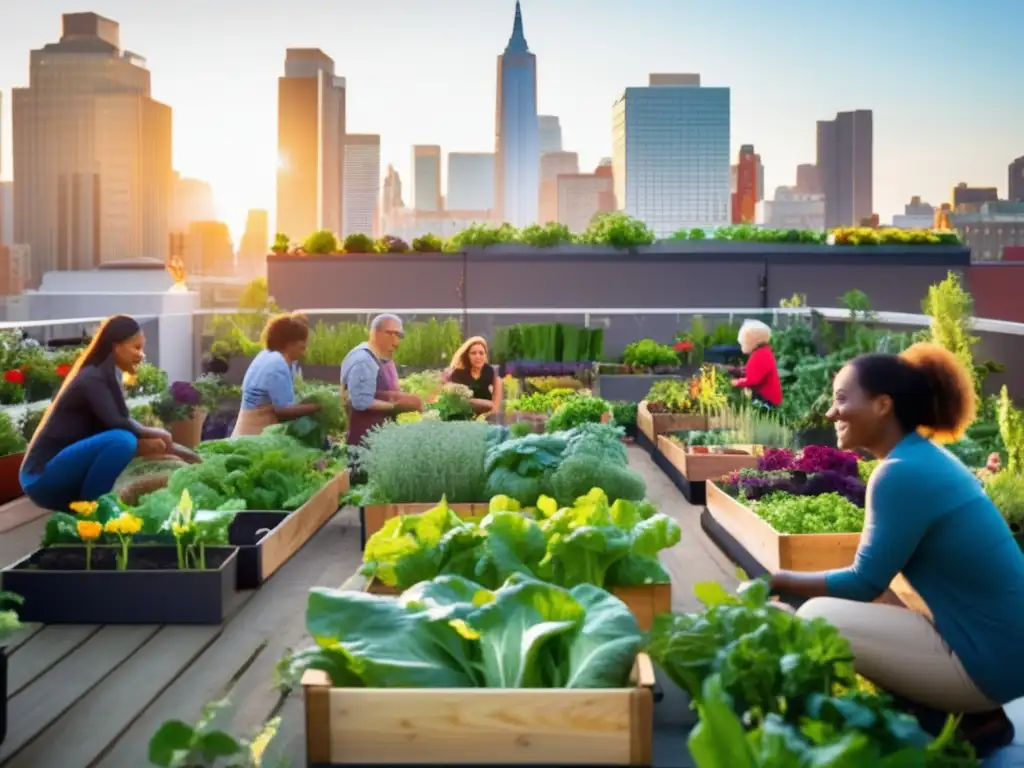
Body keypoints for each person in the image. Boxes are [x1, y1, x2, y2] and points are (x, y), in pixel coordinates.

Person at [769, 342, 1024, 755]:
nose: (831, 413)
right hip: (1005, 653)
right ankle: (977, 718)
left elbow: (862, 583)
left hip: (990, 666)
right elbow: (877, 581)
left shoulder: (899, 474)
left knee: (819, 618)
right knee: (872, 605)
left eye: (841, 399)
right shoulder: (924, 458)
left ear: (883, 405)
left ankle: (956, 719)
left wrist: (775, 578)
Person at [19, 315, 197, 512]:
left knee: (128, 441)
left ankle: (100, 510)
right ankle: (94, 513)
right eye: (136, 347)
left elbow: (117, 423)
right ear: (116, 346)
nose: (142, 355)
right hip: (40, 478)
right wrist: (158, 433)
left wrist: (182, 454)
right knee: (122, 441)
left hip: (66, 469)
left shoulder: (111, 375)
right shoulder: (91, 378)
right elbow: (118, 422)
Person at [340, 313, 422, 452]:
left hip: (378, 437)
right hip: (365, 440)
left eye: (398, 336)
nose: (395, 342)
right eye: (390, 333)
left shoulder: (380, 357)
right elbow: (360, 402)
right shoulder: (364, 360)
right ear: (374, 333)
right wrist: (396, 407)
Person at [232, 312, 320, 437]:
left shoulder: (266, 355)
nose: (303, 352)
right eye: (301, 347)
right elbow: (283, 411)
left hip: (246, 431)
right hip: (257, 435)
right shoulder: (278, 363)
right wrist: (317, 407)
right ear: (290, 344)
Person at [443, 336, 503, 416]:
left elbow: (495, 402)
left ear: (485, 355)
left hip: (487, 413)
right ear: (467, 356)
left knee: (498, 381)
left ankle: (491, 413)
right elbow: (457, 401)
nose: (478, 357)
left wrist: (489, 410)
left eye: (481, 353)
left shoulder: (489, 371)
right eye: (473, 353)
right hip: (466, 413)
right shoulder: (458, 374)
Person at [730, 319, 782, 407]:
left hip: (767, 401)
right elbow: (754, 372)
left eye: (743, 341)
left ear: (752, 340)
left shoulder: (761, 355)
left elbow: (754, 379)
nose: (742, 344)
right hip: (767, 398)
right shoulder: (761, 352)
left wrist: (736, 382)